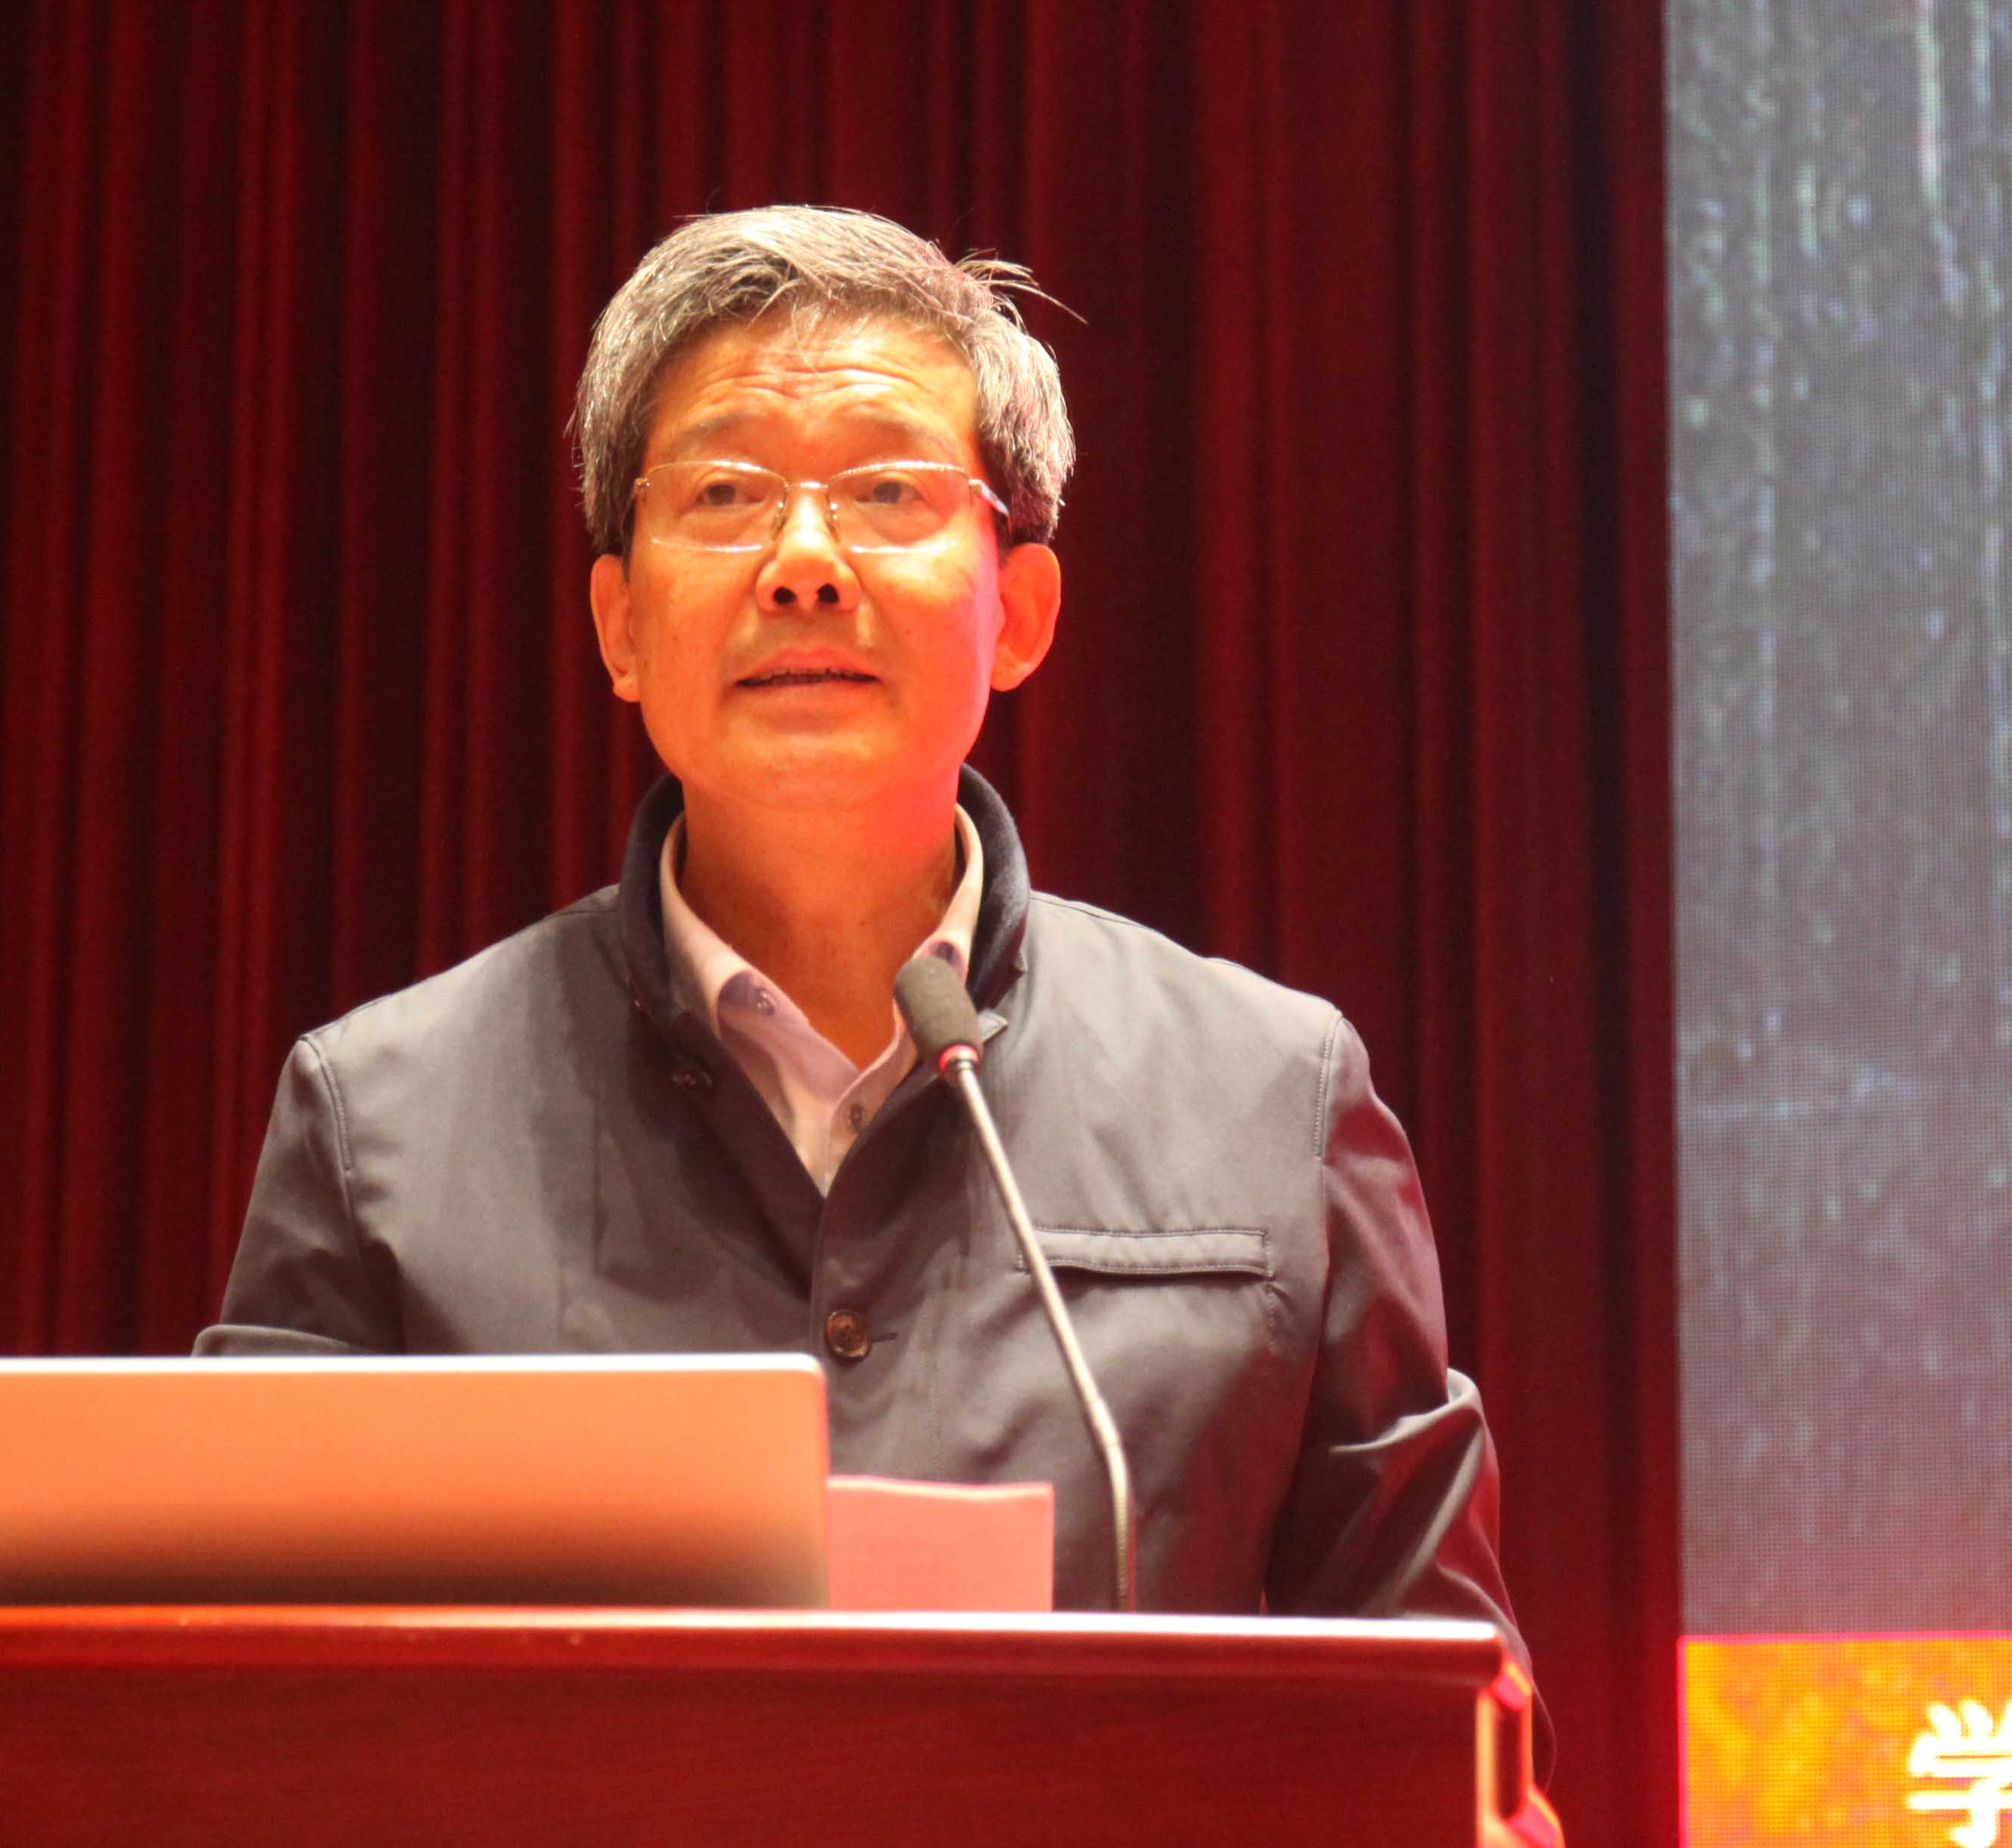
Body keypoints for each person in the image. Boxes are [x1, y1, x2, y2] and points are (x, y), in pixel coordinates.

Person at [198, 207, 1532, 1673]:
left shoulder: (1270, 1097)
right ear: (619, 623)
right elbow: (241, 1712)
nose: (804, 563)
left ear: (1020, 613)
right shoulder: (380, 1122)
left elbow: (1453, 1726)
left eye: (890, 491)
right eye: (725, 494)